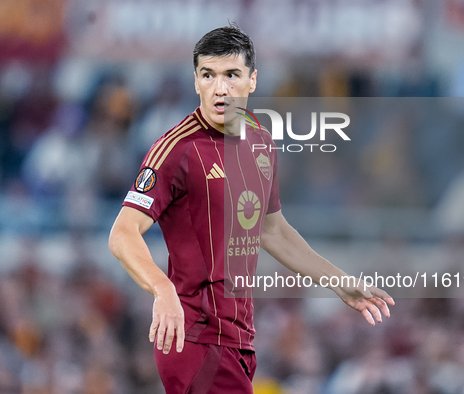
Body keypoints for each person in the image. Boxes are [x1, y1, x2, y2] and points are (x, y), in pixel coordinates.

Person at [109, 23, 394, 394]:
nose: (219, 88)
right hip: (196, 337)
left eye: (232, 75)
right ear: (196, 81)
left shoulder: (258, 139)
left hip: (238, 341)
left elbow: (272, 230)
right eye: (208, 75)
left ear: (252, 80)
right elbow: (122, 233)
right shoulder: (176, 149)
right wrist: (162, 291)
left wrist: (338, 280)